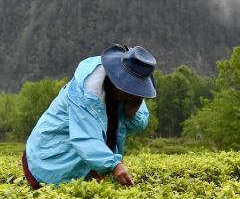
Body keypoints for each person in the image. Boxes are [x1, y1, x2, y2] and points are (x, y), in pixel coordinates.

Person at [23, 45, 157, 188]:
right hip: (50, 160)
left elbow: (137, 124)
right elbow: (85, 138)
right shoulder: (85, 91)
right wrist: (114, 165)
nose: (134, 94)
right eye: (132, 89)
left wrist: (132, 111)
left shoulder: (127, 94)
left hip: (82, 162)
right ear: (118, 78)